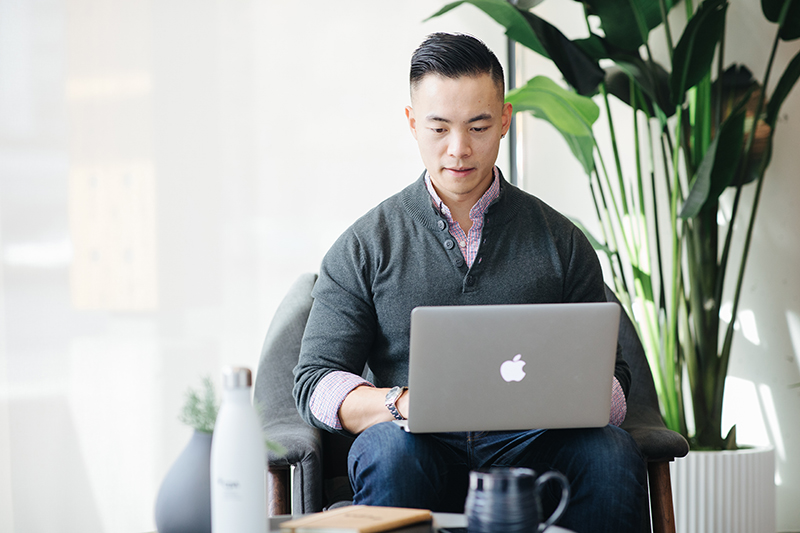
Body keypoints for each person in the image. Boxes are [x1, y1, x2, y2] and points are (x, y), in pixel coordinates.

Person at [293, 32, 646, 533]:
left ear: (504, 120)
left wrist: (579, 398)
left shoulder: (561, 241)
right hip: (415, 441)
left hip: (535, 442)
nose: (458, 150)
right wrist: (400, 403)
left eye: (478, 126)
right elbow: (316, 381)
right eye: (438, 128)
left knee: (610, 454)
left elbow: (613, 380)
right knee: (389, 451)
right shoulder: (365, 245)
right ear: (413, 123)